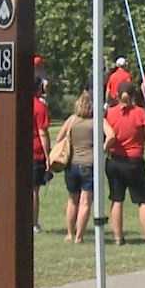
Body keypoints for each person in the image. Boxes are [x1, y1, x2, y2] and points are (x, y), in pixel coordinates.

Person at [104, 82, 145, 246]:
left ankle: (118, 237)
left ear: (117, 95)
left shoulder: (109, 114)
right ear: (134, 95)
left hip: (114, 161)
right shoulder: (140, 113)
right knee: (143, 200)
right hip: (134, 162)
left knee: (117, 199)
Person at [55, 90, 94, 243]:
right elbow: (110, 135)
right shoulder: (95, 121)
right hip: (89, 164)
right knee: (85, 202)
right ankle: (79, 236)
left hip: (71, 165)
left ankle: (70, 233)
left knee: (72, 200)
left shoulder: (71, 120)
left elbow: (59, 138)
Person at [31, 77, 52, 234]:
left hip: (21, 152)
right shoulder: (39, 107)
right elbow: (42, 132)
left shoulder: (19, 103)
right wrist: (48, 155)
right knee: (34, 190)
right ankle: (33, 222)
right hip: (36, 152)